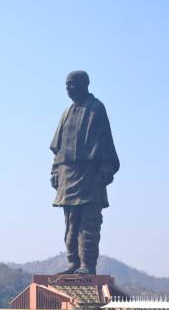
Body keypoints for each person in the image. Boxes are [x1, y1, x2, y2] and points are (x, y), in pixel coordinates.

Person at [50, 71, 119, 275]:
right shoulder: (66, 113)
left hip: (89, 174)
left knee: (89, 222)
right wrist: (55, 171)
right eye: (66, 85)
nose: (68, 89)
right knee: (70, 223)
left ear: (84, 85)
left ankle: (87, 265)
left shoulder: (96, 109)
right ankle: (73, 262)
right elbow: (58, 149)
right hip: (67, 174)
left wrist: (105, 167)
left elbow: (105, 142)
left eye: (72, 84)